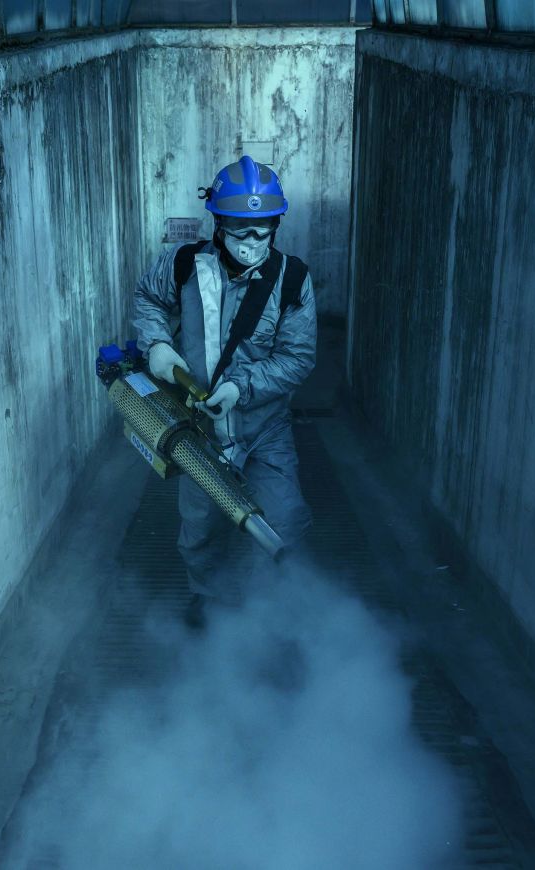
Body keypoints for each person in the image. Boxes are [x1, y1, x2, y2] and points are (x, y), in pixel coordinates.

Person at [133, 155, 317, 629]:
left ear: (276, 225)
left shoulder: (292, 281)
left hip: (263, 428)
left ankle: (268, 611)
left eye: (263, 228)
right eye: (240, 227)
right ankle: (207, 596)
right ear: (217, 223)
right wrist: (157, 346)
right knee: (200, 526)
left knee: (285, 520)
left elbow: (298, 358)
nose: (251, 240)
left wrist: (242, 386)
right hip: (201, 430)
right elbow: (149, 298)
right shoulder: (182, 266)